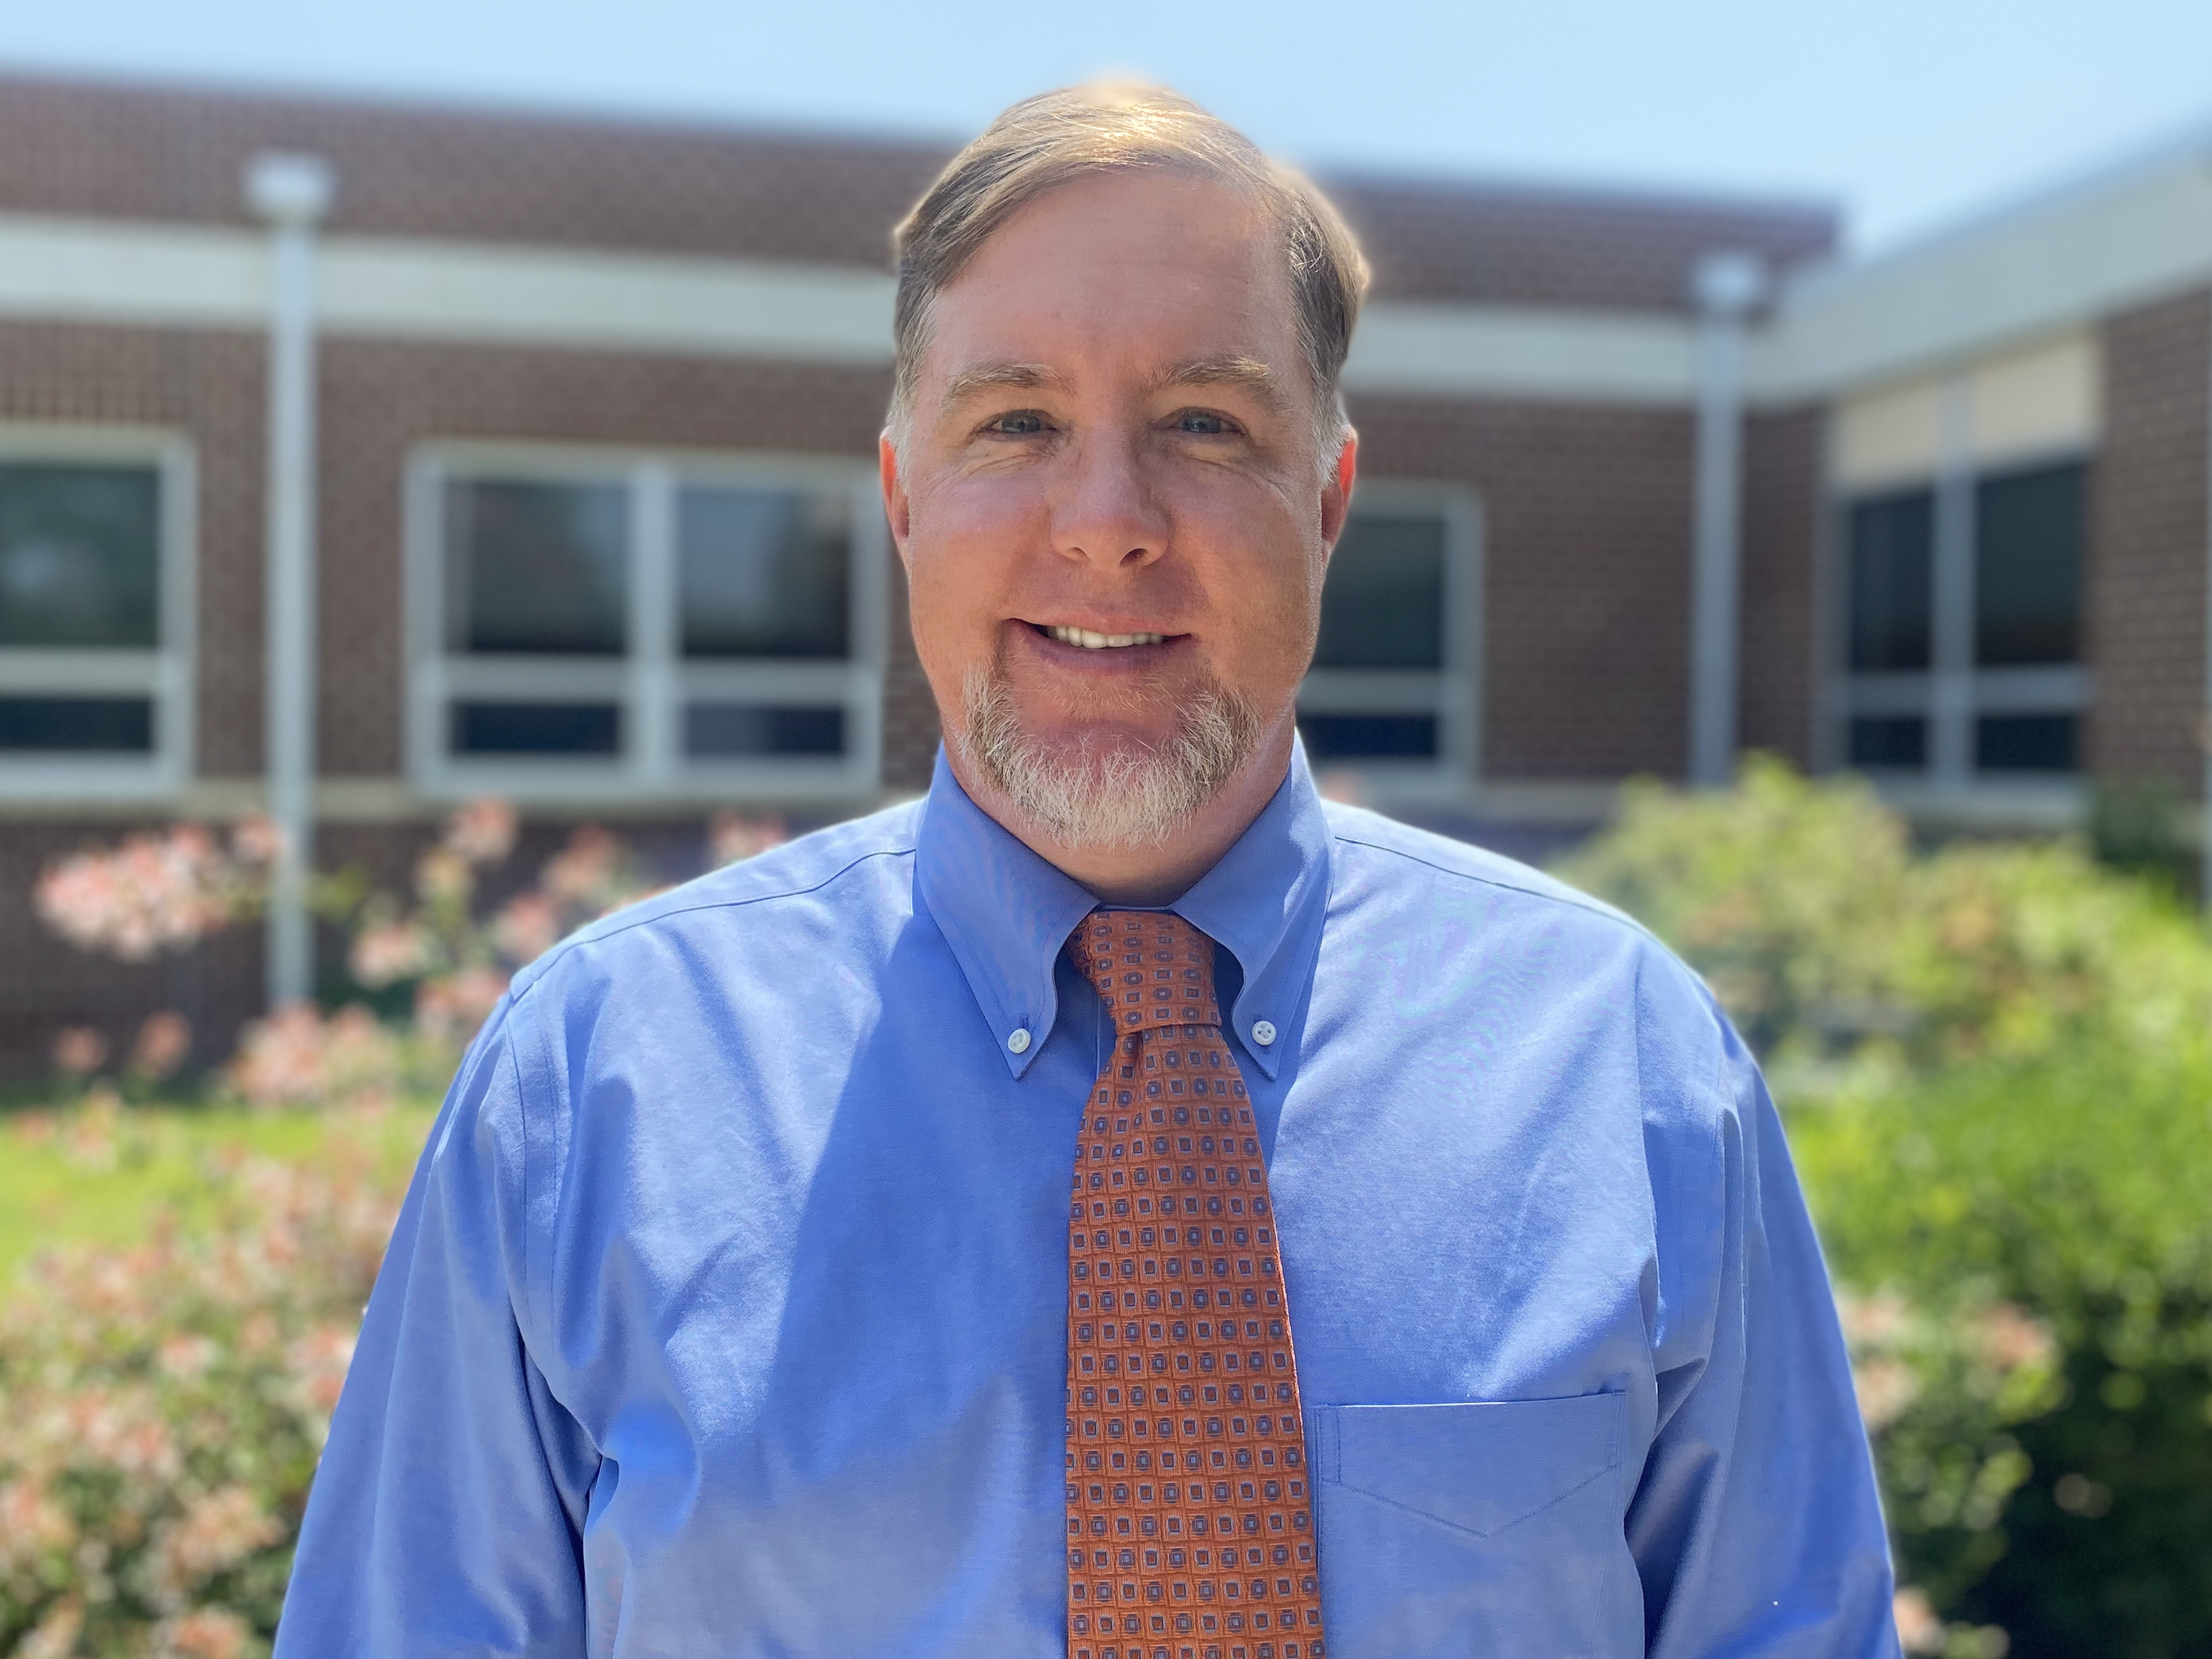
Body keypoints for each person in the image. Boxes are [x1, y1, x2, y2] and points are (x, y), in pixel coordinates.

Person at [276, 83, 1898, 1659]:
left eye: (1206, 422)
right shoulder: (589, 1083)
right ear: (905, 499)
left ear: (1327, 502)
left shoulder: (1628, 1069)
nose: (1109, 522)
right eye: (1017, 422)